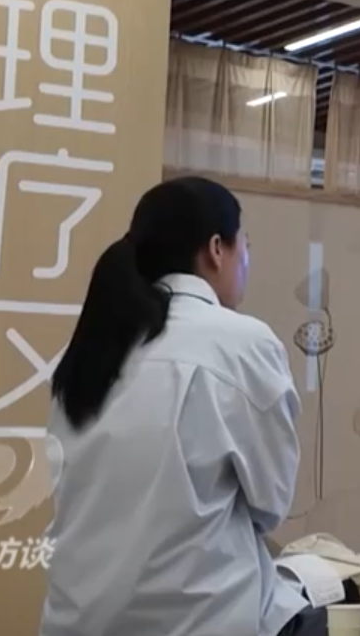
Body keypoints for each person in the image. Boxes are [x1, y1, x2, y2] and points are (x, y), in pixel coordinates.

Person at [40, 176, 327, 636]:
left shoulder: (84, 357)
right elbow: (271, 503)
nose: (247, 260)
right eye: (245, 245)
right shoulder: (242, 344)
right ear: (216, 249)